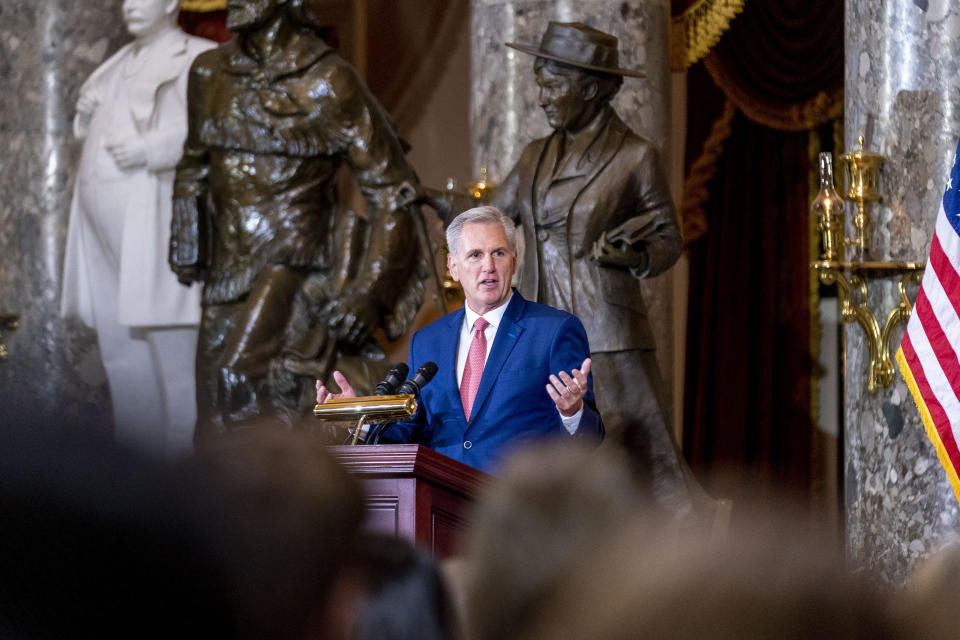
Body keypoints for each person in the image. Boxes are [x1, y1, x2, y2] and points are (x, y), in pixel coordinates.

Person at [425, 21, 693, 512]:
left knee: (644, 452)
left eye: (552, 83)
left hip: (609, 328)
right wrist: (426, 195)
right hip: (537, 327)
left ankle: (675, 560)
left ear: (589, 88)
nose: (541, 96)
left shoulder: (635, 157)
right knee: (551, 452)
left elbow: (668, 238)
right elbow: (491, 214)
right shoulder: (535, 154)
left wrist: (635, 256)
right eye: (538, 81)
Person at [170, 0, 429, 436]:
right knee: (212, 413)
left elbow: (392, 192)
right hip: (227, 271)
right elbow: (194, 163)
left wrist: (370, 293)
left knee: (241, 384)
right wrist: (188, 240)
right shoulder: (208, 72)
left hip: (298, 264)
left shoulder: (328, 80)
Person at [318, 206, 602, 473]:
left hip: (520, 511)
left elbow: (592, 438)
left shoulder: (554, 330)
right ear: (454, 268)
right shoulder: (427, 341)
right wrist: (360, 420)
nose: (488, 266)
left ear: (514, 262)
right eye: (475, 255)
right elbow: (410, 433)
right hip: (441, 509)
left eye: (499, 253)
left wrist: (572, 411)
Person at [60, 0, 216, 457]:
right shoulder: (115, 65)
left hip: (156, 228)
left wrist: (152, 148)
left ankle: (178, 476)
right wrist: (84, 117)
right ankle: (138, 477)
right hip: (101, 233)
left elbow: (212, 129)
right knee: (122, 358)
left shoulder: (197, 56)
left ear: (171, 4)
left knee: (171, 359)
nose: (129, 7)